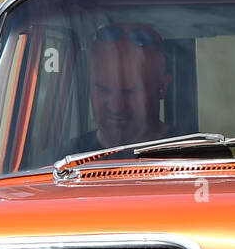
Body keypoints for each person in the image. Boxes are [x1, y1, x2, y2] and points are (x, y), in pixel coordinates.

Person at [63, 23, 172, 156]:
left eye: (130, 91)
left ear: (162, 87)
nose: (116, 107)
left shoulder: (195, 159)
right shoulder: (58, 165)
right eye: (103, 90)